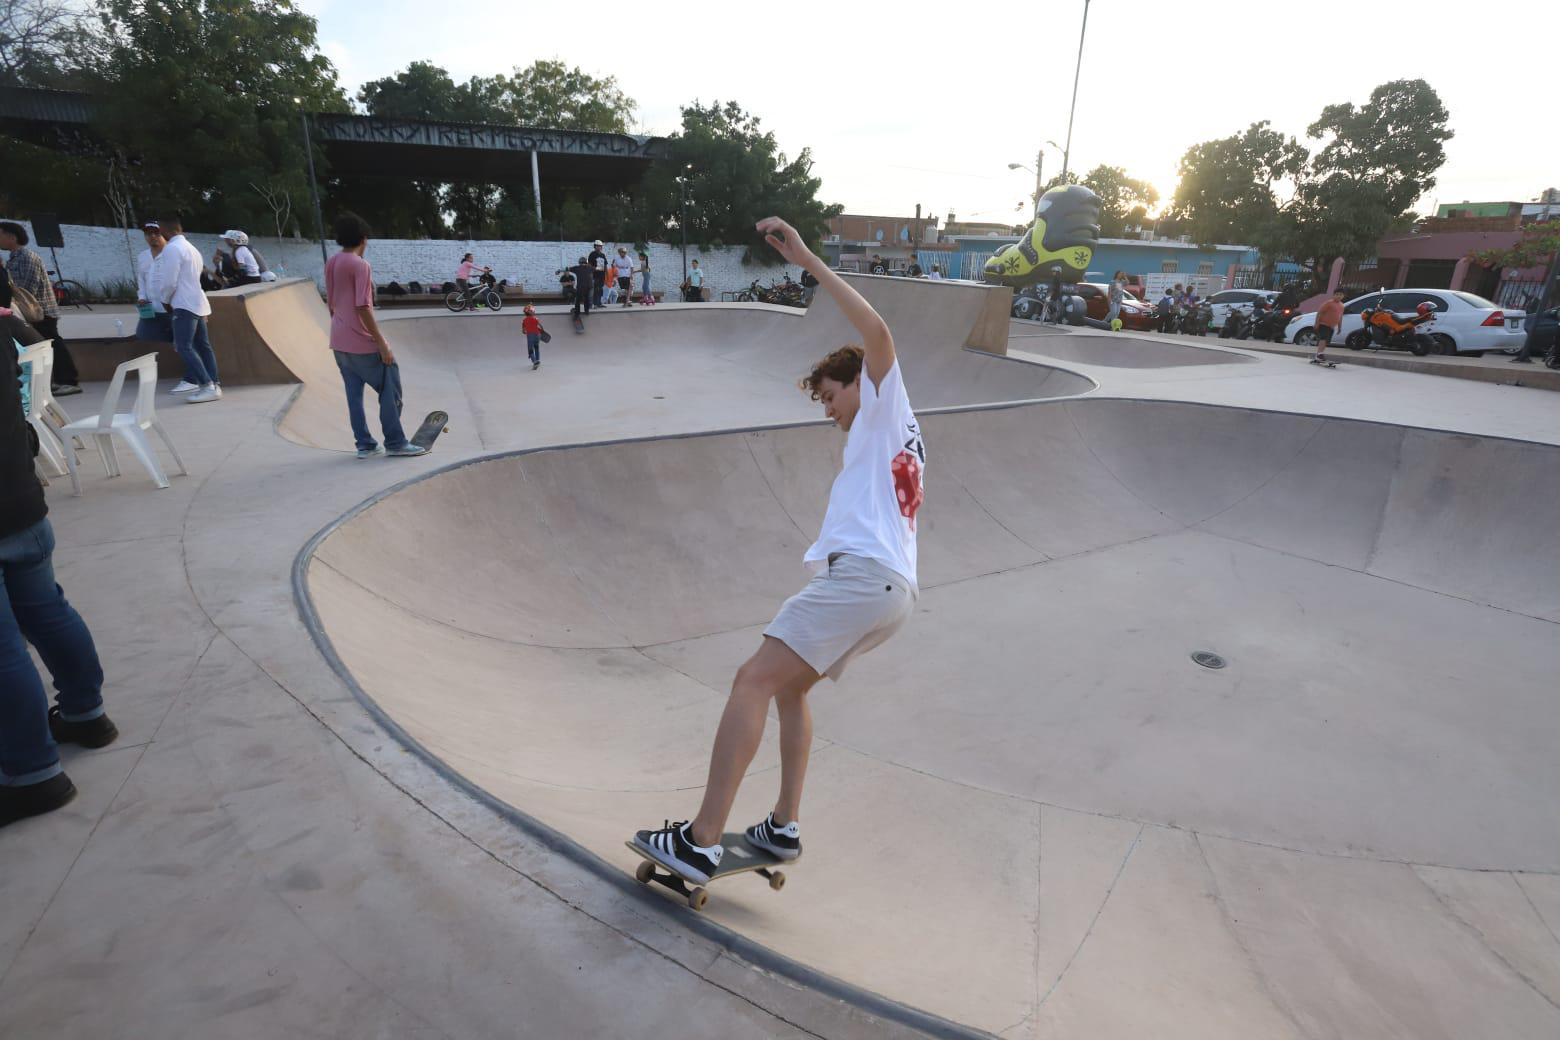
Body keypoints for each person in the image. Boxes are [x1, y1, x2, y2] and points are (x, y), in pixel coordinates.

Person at [632, 215, 924, 885]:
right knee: (791, 693)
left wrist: (808, 261)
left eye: (829, 396)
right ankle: (783, 825)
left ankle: (700, 841)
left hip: (866, 581)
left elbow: (877, 336)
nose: (828, 411)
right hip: (892, 592)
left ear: (857, 383)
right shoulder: (898, 440)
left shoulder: (884, 403)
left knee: (751, 680)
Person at [1, 324, 118, 829]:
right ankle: (86, 717)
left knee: (4, 653)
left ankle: (34, 776)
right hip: (24, 507)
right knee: (49, 611)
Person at [325, 214, 428, 459]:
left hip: (339, 341)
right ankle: (395, 442)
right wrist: (381, 343)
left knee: (354, 395)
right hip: (362, 342)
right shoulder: (361, 265)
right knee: (390, 387)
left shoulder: (333, 262)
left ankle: (364, 444)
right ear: (363, 239)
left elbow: (331, 302)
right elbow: (363, 306)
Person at [0, 221, 81, 397]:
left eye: (1, 235)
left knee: (53, 346)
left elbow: (27, 288)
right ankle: (53, 382)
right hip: (31, 313)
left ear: (12, 237)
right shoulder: (14, 258)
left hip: (41, 312)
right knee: (44, 348)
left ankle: (68, 381)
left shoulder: (26, 257)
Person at [157, 216, 222, 403]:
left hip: (183, 304)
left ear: (165, 231)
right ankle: (214, 383)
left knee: (183, 346)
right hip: (198, 303)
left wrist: (165, 300)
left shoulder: (172, 249)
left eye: (159, 230)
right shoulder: (192, 249)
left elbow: (170, 281)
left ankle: (206, 385)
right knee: (204, 346)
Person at [1313, 289, 1345, 363]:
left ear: (1343, 296)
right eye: (1337, 294)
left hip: (1331, 326)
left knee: (1326, 341)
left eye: (1340, 295)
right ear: (1333, 295)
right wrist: (1316, 323)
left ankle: (1318, 355)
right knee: (1323, 339)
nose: (1338, 296)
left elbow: (1340, 317)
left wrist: (1339, 327)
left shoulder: (1342, 306)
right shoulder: (1329, 303)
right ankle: (1320, 355)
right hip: (1323, 324)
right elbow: (1319, 313)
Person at [570, 256, 594, 320]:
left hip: (581, 287)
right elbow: (598, 268)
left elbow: (567, 269)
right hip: (589, 286)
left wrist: (559, 271)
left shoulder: (577, 268)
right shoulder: (590, 268)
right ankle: (587, 311)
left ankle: (577, 314)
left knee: (578, 300)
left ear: (579, 262)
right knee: (586, 299)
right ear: (586, 262)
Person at [521, 304, 545, 370]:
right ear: (533, 312)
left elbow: (523, 331)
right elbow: (541, 327)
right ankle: (538, 360)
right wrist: (541, 332)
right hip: (537, 335)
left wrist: (525, 331)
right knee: (536, 347)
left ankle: (535, 361)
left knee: (530, 349)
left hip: (530, 336)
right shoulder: (536, 319)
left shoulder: (524, 320)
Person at [588, 240, 608, 306]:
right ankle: (595, 303)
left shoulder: (603, 255)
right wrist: (593, 269)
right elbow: (589, 265)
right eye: (597, 246)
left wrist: (607, 274)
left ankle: (599, 303)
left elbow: (605, 265)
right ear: (595, 246)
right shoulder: (592, 254)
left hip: (602, 275)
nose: (599, 247)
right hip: (595, 275)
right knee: (595, 289)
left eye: (600, 246)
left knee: (600, 289)